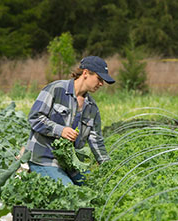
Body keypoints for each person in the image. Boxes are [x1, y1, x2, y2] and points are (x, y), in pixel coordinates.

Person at [25, 55, 115, 186]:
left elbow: (96, 140)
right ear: (85, 73)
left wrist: (109, 168)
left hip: (70, 164)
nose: (101, 84)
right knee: (71, 193)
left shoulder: (92, 108)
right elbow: (34, 118)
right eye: (99, 79)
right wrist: (60, 130)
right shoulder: (55, 89)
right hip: (44, 159)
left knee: (96, 186)